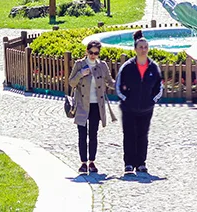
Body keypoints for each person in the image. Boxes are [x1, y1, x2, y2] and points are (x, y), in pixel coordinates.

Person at [115, 31, 164, 174]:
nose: (143, 50)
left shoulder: (153, 67)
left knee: (143, 135)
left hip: (146, 108)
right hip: (128, 108)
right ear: (135, 49)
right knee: (129, 134)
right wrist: (126, 99)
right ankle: (129, 163)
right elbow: (118, 85)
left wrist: (152, 101)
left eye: (145, 47)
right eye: (141, 47)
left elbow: (159, 86)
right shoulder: (127, 67)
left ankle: (141, 163)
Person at [68, 40, 115, 174]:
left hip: (96, 105)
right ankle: (83, 163)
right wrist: (80, 74)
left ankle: (92, 162)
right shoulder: (79, 64)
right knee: (82, 134)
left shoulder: (102, 66)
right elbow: (71, 82)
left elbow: (109, 81)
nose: (93, 55)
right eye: (91, 52)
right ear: (86, 52)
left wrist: (121, 86)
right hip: (82, 104)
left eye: (96, 53)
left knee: (93, 134)